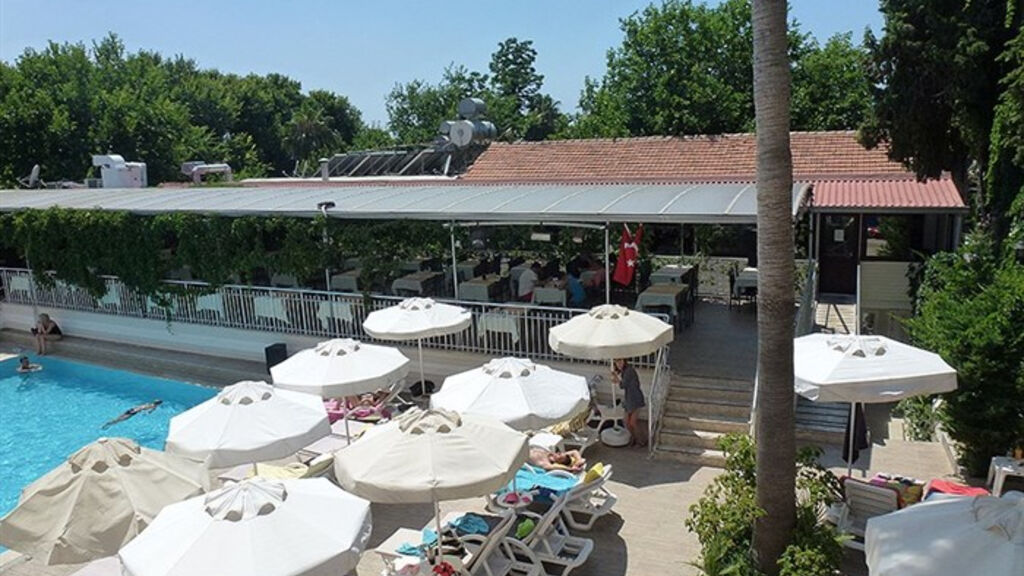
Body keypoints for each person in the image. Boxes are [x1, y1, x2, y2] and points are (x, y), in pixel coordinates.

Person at [612, 358, 646, 447]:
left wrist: (617, 379)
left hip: (635, 398)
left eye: (620, 361)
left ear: (624, 361)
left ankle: (641, 441)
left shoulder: (629, 371)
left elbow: (623, 385)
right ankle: (633, 438)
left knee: (632, 422)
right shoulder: (624, 372)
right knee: (626, 421)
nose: (619, 364)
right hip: (629, 399)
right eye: (617, 362)